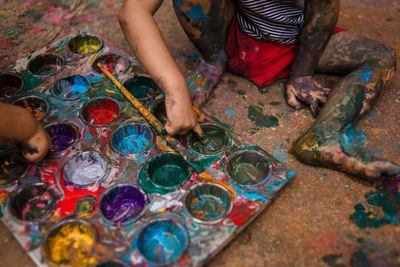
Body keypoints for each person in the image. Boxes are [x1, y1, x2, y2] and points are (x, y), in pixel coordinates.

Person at [118, 0, 399, 180]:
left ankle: (323, 136)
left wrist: (303, 72)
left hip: (298, 41)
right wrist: (175, 86)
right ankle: (213, 60)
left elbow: (323, 12)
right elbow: (133, 11)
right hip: (235, 38)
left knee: (380, 58)